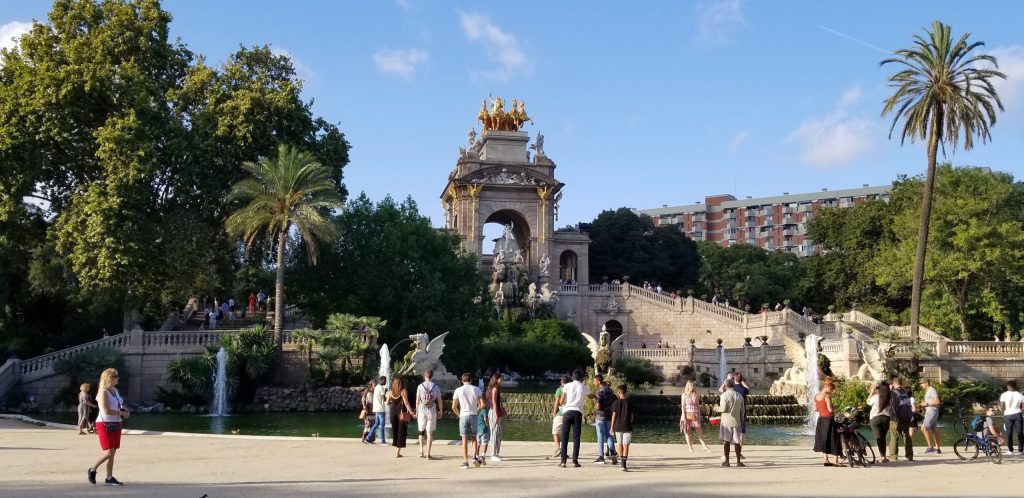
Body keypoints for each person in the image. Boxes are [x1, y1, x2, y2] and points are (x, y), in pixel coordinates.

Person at [88, 368, 129, 486]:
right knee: (110, 452)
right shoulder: (103, 392)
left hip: (117, 422)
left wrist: (125, 410)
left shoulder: (115, 390)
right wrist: (121, 413)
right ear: (109, 378)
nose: (117, 378)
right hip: (105, 423)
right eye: (115, 376)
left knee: (113, 451)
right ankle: (92, 469)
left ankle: (109, 477)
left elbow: (119, 404)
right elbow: (106, 410)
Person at [452, 373, 485, 469]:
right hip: (473, 415)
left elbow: (453, 407)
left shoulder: (458, 390)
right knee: (474, 438)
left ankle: (465, 462)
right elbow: (482, 404)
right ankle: (474, 457)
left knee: (464, 440)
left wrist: (459, 415)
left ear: (462, 381)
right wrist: (477, 412)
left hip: (463, 415)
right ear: (471, 380)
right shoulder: (476, 389)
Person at [559, 369, 590, 468]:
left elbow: (561, 401)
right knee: (576, 437)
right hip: (577, 413)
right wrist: (596, 397)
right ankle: (575, 461)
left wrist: (564, 403)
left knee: (564, 437)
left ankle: (563, 461)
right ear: (581, 378)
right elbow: (590, 396)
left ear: (572, 377)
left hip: (567, 412)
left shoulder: (567, 386)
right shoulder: (583, 386)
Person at [716, 378, 746, 467]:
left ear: (725, 386)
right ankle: (738, 462)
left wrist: (715, 408)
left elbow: (723, 409)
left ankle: (727, 461)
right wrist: (741, 421)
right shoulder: (739, 396)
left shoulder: (724, 395)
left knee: (727, 441)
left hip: (726, 422)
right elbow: (742, 411)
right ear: (733, 386)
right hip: (737, 421)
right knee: (737, 442)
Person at [812, 377, 842, 466]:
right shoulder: (827, 396)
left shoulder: (816, 396)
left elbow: (815, 409)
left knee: (825, 439)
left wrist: (822, 409)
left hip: (821, 420)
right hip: (829, 420)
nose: (831, 392)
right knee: (835, 439)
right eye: (831, 390)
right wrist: (835, 407)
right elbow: (830, 410)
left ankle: (826, 460)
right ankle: (836, 461)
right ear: (828, 388)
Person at [591, 374, 619, 464]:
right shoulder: (610, 390)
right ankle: (613, 453)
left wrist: (594, 401)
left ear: (599, 381)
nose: (593, 382)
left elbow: (598, 406)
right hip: (609, 416)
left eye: (594, 381)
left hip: (600, 416)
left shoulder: (599, 391)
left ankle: (601, 457)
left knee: (600, 436)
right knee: (609, 435)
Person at [416, 370, 443, 459]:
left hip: (422, 410)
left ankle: (421, 451)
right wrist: (440, 411)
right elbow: (439, 400)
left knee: (421, 432)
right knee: (429, 433)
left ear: (424, 376)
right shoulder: (436, 386)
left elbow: (417, 400)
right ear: (432, 376)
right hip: (432, 411)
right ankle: (428, 454)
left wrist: (417, 411)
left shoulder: (420, 386)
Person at [386, 377, 414, 458]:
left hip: (392, 413)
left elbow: (387, 403)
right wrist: (412, 413)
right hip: (401, 414)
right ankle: (397, 452)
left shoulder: (390, 392)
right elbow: (406, 403)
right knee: (401, 432)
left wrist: (392, 401)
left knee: (395, 431)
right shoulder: (403, 391)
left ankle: (396, 448)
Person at [887, 376, 914, 461]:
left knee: (894, 436)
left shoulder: (893, 393)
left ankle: (893, 455)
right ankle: (909, 455)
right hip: (906, 418)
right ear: (901, 383)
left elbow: (892, 406)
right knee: (907, 436)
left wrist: (889, 390)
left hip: (896, 419)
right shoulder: (905, 392)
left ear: (893, 384)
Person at [610, 384, 635, 472]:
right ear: (626, 392)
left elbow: (613, 416)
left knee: (620, 444)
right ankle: (624, 463)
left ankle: (621, 462)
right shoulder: (630, 403)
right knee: (626, 445)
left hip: (617, 426)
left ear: (618, 392)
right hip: (627, 426)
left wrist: (612, 427)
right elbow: (632, 416)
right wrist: (630, 422)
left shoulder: (615, 403)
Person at [866, 380, 892, 463]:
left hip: (875, 418)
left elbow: (868, 402)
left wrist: (872, 392)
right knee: (883, 437)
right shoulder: (889, 398)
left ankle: (882, 457)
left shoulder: (876, 397)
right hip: (886, 418)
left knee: (879, 438)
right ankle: (883, 456)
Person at [680, 380, 710, 452]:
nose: (692, 387)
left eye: (693, 386)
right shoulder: (684, 395)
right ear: (688, 386)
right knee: (687, 431)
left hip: (695, 414)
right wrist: (683, 416)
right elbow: (683, 406)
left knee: (699, 431)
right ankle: (690, 447)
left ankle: (704, 446)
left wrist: (699, 416)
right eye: (691, 385)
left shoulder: (695, 395)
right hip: (687, 414)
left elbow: (698, 406)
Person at [1000, 380, 1024, 454]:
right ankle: (1021, 450)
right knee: (1020, 432)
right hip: (1018, 414)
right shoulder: (1020, 395)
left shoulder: (1004, 394)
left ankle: (1010, 450)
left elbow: (1002, 407)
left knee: (1009, 433)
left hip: (1008, 415)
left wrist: (1004, 409)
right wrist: (1019, 409)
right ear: (1015, 386)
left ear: (1008, 386)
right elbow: (1023, 408)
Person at [486, 372, 505, 462]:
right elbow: (494, 402)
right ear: (496, 379)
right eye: (501, 379)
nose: (502, 380)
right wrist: (497, 414)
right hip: (494, 411)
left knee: (498, 433)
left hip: (494, 411)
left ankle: (496, 453)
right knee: (494, 433)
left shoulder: (493, 388)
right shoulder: (495, 388)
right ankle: (493, 454)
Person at [919, 378, 941, 454]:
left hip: (932, 411)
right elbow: (932, 401)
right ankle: (937, 449)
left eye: (922, 383)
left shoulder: (931, 390)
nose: (921, 385)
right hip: (931, 411)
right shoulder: (928, 391)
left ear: (926, 383)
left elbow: (937, 401)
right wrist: (924, 404)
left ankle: (930, 447)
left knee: (923, 428)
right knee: (934, 429)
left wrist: (926, 404)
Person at [364, 376, 387, 445]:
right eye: (385, 380)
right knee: (382, 425)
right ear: (382, 380)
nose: (386, 382)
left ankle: (368, 438)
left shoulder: (376, 387)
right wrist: (385, 391)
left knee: (376, 424)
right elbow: (384, 399)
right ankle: (382, 441)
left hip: (376, 409)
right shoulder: (381, 388)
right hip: (381, 409)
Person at [548, 376, 567, 459]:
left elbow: (556, 402)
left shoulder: (559, 390)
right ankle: (564, 451)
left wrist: (554, 412)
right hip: (569, 413)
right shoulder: (571, 389)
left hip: (560, 413)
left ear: (561, 382)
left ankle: (558, 448)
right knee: (564, 433)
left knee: (555, 432)